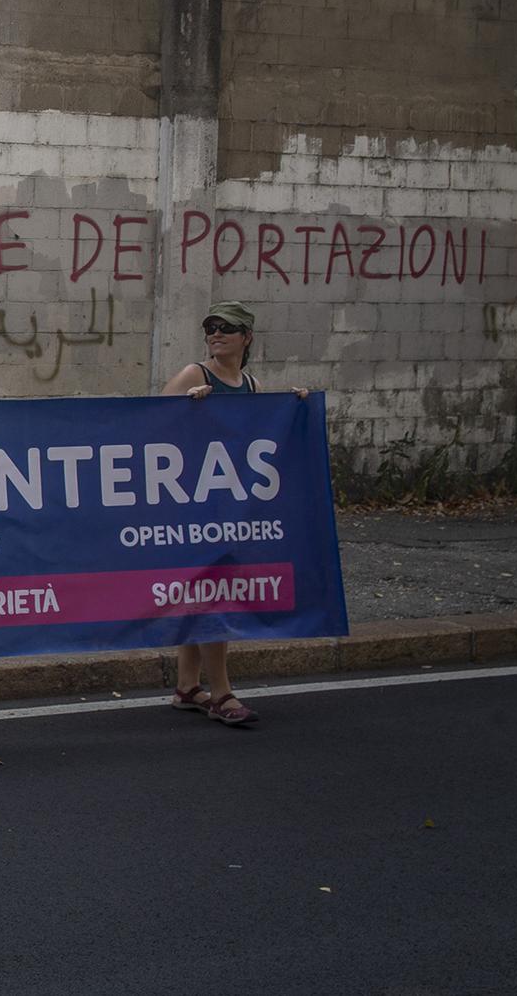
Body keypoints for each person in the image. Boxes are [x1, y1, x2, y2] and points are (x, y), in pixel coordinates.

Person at [160, 300, 308, 729]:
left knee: (201, 594)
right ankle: (221, 693)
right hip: (192, 504)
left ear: (247, 337)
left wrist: (293, 406)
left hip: (230, 506)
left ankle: (188, 686)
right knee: (213, 596)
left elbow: (258, 434)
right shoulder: (195, 375)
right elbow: (150, 428)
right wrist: (188, 406)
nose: (216, 333)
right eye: (210, 327)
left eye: (227, 327)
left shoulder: (250, 384)